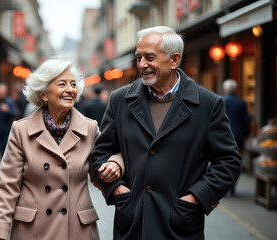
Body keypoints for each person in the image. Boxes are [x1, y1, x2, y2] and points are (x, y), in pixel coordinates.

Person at [92, 26, 242, 239]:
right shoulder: (120, 100)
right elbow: (101, 152)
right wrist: (116, 189)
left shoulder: (208, 104)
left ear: (174, 60)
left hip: (180, 226)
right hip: (133, 223)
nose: (142, 64)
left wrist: (197, 197)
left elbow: (228, 161)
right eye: (139, 57)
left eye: (150, 57)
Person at [0, 57, 124, 240]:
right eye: (62, 84)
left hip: (77, 230)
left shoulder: (89, 129)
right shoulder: (21, 130)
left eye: (73, 84)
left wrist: (116, 163)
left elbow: (103, 165)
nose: (70, 90)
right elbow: (7, 187)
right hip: (32, 230)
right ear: (44, 93)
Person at [222, 79, 250, 195]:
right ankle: (232, 188)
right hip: (238, 136)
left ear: (225, 89)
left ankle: (223, 187)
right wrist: (246, 135)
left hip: (223, 135)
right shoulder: (241, 102)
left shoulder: (221, 100)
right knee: (236, 162)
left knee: (222, 161)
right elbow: (246, 121)